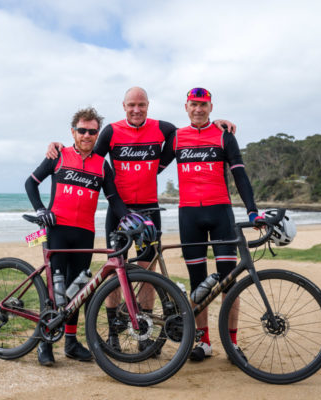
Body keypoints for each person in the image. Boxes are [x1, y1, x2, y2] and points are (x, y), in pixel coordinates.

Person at [46, 87, 236, 350]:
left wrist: (215, 123)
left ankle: (144, 337)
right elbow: (87, 156)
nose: (137, 110)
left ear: (148, 106)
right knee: (114, 271)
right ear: (123, 106)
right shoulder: (111, 132)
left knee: (148, 272)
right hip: (119, 211)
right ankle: (113, 333)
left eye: (142, 105)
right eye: (132, 105)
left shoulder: (164, 129)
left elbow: (192, 130)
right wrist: (58, 147)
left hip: (149, 211)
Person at [159, 87, 259, 362]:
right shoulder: (177, 138)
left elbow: (240, 176)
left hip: (221, 214)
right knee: (198, 283)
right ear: (186, 107)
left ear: (211, 107)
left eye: (203, 105)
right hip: (189, 215)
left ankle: (233, 344)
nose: (198, 109)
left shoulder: (224, 136)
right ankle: (204, 342)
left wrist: (253, 212)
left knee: (229, 283)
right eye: (194, 104)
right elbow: (152, 168)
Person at [25, 107, 129, 366]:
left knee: (78, 289)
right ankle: (45, 342)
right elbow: (31, 183)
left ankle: (71, 343)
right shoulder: (58, 155)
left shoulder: (101, 165)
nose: (86, 135)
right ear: (73, 131)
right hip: (58, 231)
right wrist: (41, 211)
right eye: (81, 130)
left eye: (92, 131)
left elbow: (114, 199)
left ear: (96, 135)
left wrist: (129, 219)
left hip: (84, 234)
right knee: (57, 290)